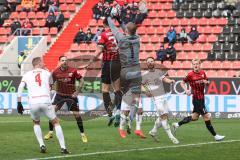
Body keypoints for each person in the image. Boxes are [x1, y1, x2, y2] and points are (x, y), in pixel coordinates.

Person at [17, 57, 70, 154]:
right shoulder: (47, 73)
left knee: (36, 122)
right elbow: (52, 87)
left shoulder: (27, 74)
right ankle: (63, 148)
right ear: (37, 63)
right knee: (56, 122)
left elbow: (20, 87)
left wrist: (19, 102)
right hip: (45, 100)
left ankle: (42, 145)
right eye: (42, 62)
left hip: (33, 102)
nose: (44, 63)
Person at [107, 17, 146, 138]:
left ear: (126, 32)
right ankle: (127, 124)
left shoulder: (122, 39)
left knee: (130, 102)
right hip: (136, 70)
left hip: (125, 71)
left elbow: (113, 28)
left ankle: (124, 125)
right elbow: (129, 30)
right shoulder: (137, 38)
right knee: (136, 101)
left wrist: (109, 16)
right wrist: (120, 19)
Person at [172, 59, 225, 141]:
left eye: (197, 64)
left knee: (195, 117)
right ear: (192, 65)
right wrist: (186, 90)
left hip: (201, 98)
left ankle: (177, 124)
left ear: (200, 64)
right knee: (206, 116)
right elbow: (182, 83)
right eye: (194, 64)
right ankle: (215, 136)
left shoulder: (203, 73)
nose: (195, 65)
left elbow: (207, 82)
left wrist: (206, 82)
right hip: (197, 99)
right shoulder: (190, 75)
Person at [85, 18, 122, 127]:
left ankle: (110, 113)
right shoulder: (118, 34)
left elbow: (100, 49)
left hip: (108, 63)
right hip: (118, 62)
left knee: (105, 89)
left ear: (104, 24)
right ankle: (118, 111)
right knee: (117, 89)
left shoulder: (103, 34)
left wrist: (91, 60)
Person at [44, 56, 88, 143]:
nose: (64, 62)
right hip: (59, 95)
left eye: (66, 60)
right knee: (51, 112)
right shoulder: (55, 72)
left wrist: (77, 92)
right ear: (59, 61)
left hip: (70, 96)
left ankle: (83, 134)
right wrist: (52, 88)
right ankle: (50, 132)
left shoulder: (73, 70)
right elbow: (50, 82)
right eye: (62, 60)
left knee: (77, 115)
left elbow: (82, 81)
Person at [142, 57, 179, 144]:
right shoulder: (144, 75)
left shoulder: (159, 72)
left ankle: (153, 131)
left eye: (151, 61)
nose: (150, 63)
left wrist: (170, 81)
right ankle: (171, 137)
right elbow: (141, 85)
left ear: (154, 62)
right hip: (156, 98)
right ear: (146, 64)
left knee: (164, 116)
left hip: (163, 97)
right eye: (148, 62)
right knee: (163, 117)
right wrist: (146, 91)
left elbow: (164, 79)